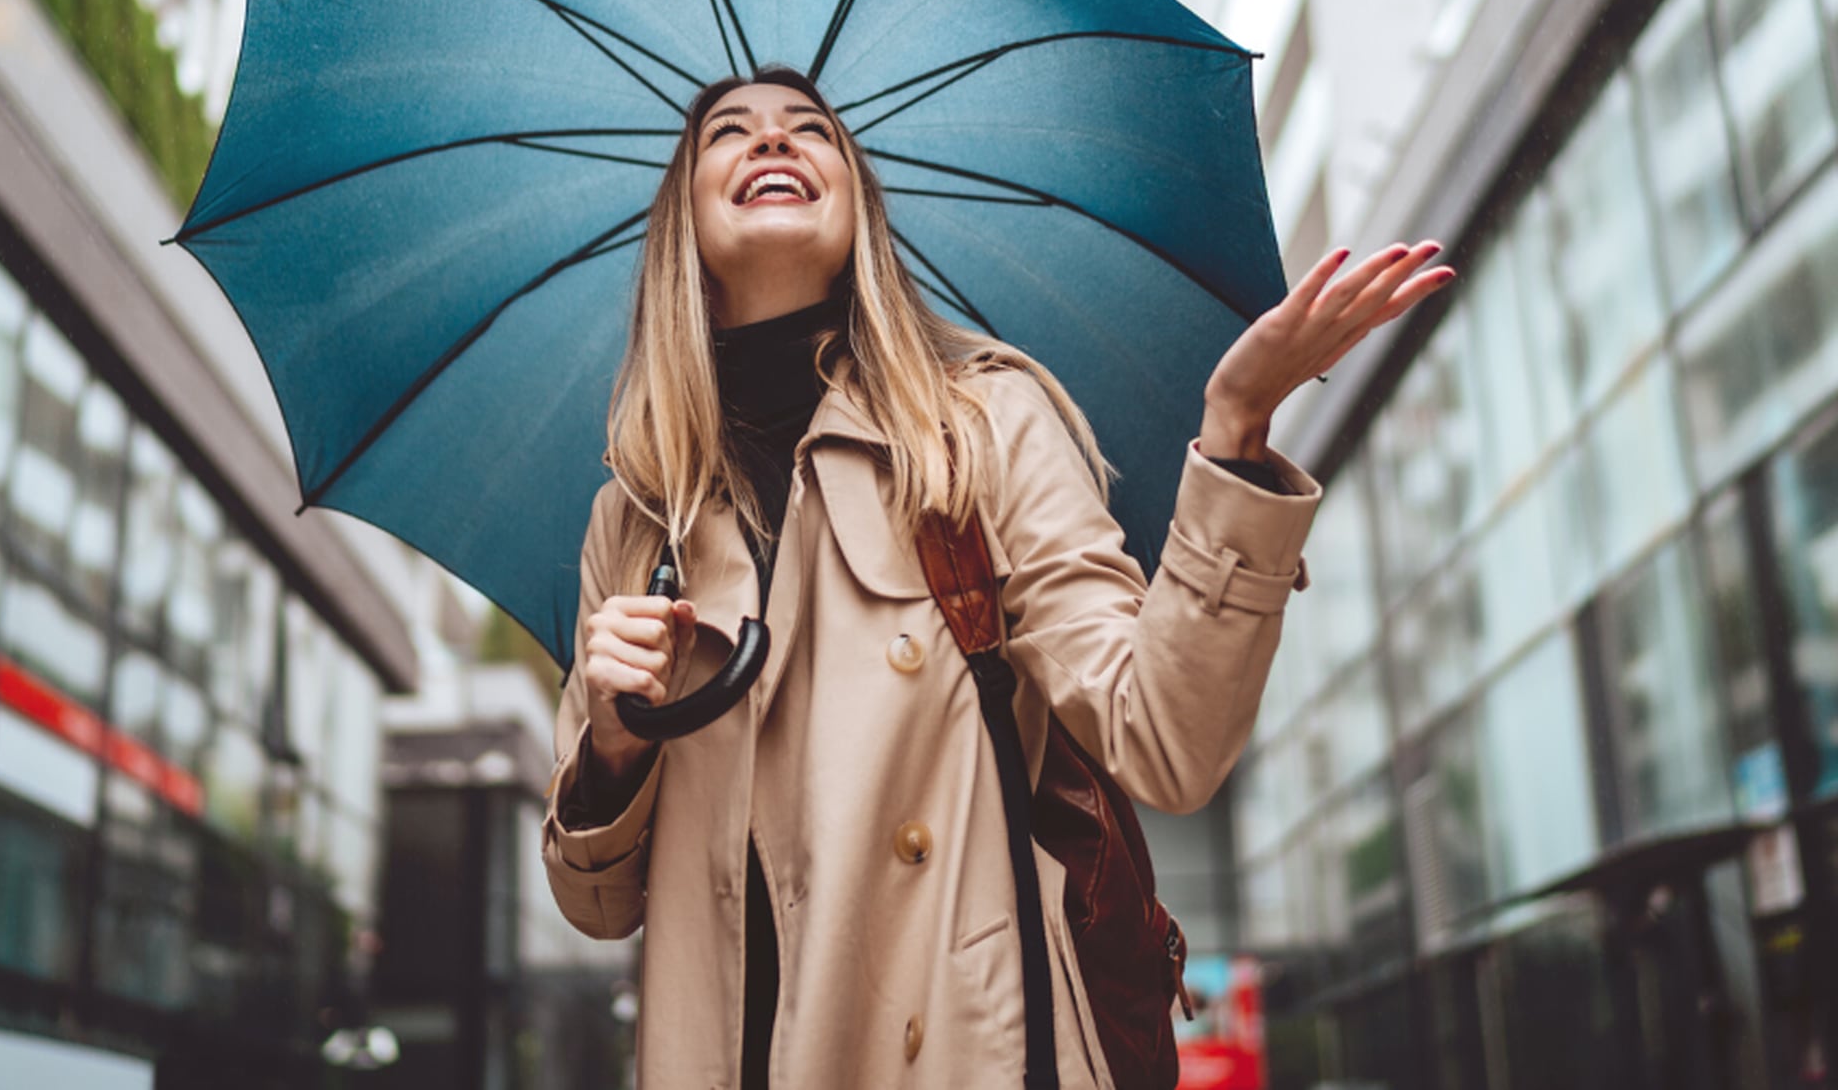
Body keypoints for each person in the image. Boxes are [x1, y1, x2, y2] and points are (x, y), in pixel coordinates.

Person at [542, 66, 1453, 1088]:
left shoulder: (979, 428)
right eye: (729, 133)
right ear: (683, 221)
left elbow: (1163, 741)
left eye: (811, 130)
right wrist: (614, 746)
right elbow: (596, 906)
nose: (772, 141)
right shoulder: (635, 515)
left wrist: (1233, 435)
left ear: (859, 211)